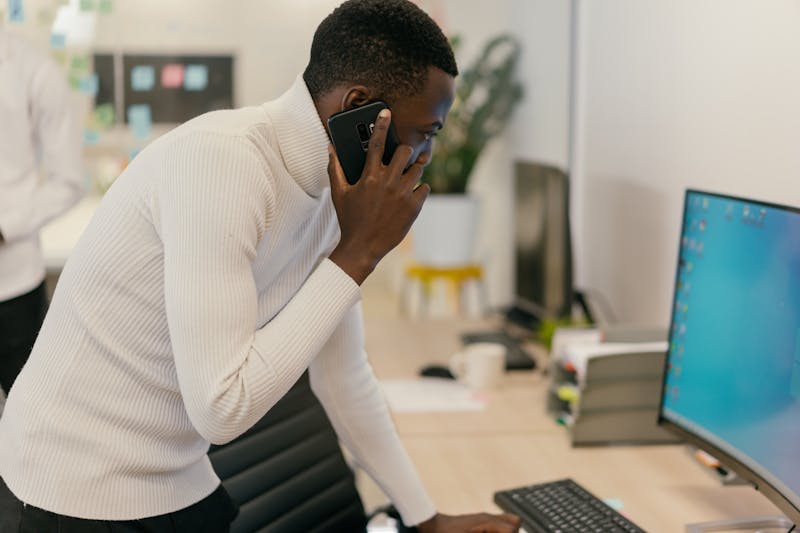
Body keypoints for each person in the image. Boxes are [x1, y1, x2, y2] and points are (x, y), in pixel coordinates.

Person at [0, 1, 521, 532]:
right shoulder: (223, 163)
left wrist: (426, 519)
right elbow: (221, 408)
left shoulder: (335, 197)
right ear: (364, 111)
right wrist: (357, 255)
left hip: (173, 477)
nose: (428, 154)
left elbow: (344, 380)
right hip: (71, 488)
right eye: (427, 132)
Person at [0, 28, 83, 404]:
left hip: (13, 290)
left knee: (34, 421)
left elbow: (69, 181)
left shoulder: (35, 71)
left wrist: (5, 228)